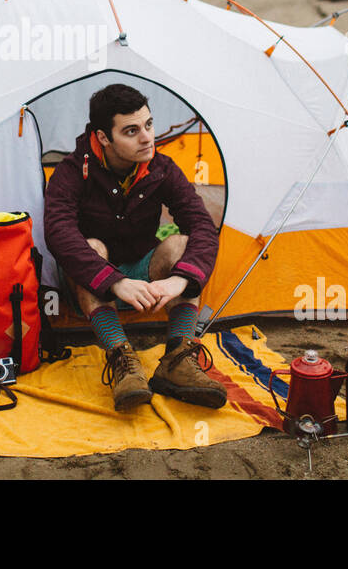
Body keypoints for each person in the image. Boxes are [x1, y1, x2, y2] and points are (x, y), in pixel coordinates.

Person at [43, 83, 226, 412]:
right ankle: (122, 359)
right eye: (131, 131)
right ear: (103, 138)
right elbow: (58, 232)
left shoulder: (162, 168)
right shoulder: (72, 171)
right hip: (92, 285)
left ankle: (178, 359)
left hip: (145, 275)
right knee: (91, 246)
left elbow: (201, 225)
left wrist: (181, 279)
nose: (147, 138)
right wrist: (113, 280)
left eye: (149, 125)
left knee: (182, 244)